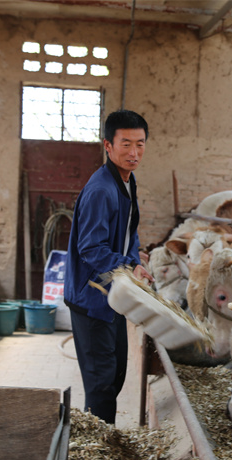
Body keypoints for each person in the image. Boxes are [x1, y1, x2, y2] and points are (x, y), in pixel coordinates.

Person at [64, 109, 154, 423]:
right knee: (101, 382)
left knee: (116, 372)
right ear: (108, 145)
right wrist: (127, 267)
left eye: (140, 144)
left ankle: (105, 437)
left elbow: (128, 231)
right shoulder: (101, 190)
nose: (134, 152)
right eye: (126, 144)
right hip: (91, 298)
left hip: (112, 294)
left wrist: (133, 259)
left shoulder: (126, 183)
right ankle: (99, 449)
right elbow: (90, 248)